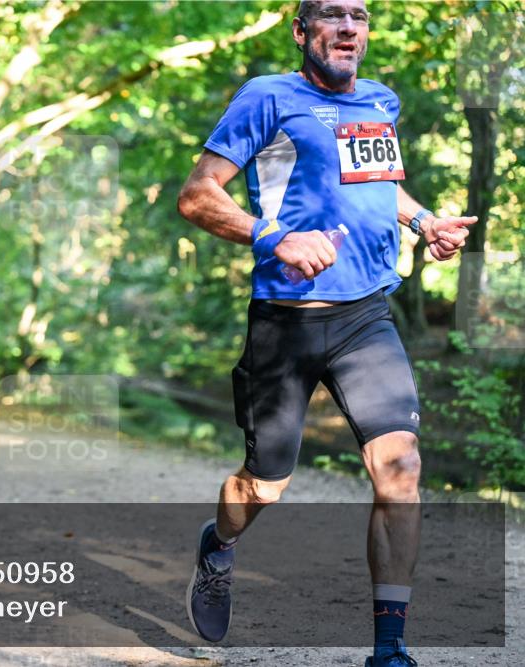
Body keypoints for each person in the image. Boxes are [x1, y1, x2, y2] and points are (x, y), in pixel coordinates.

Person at [175, 1, 476, 665]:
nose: (348, 27)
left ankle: (390, 647)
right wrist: (274, 237)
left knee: (400, 469)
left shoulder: (380, 100)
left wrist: (425, 221)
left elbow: (381, 184)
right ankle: (218, 545)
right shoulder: (267, 98)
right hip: (285, 321)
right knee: (265, 484)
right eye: (332, 14)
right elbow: (197, 195)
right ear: (302, 30)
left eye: (359, 15)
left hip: (367, 315)